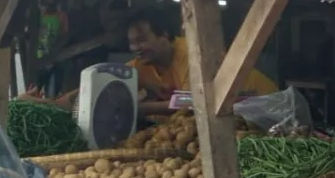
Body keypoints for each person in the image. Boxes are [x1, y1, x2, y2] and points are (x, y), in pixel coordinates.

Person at [54, 8, 278, 116]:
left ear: (164, 36)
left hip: (265, 109)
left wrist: (135, 108)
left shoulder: (194, 57)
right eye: (131, 43)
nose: (135, 49)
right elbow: (101, 83)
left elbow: (194, 105)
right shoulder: (142, 65)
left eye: (141, 40)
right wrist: (54, 104)